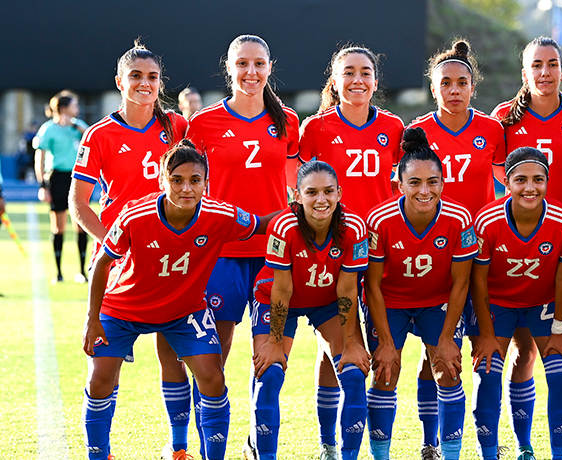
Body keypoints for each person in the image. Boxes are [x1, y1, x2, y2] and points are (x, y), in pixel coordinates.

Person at [81, 140, 273, 460]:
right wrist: (92, 318)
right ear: (162, 180)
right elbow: (102, 262)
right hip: (123, 308)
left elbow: (262, 224)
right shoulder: (134, 215)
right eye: (177, 180)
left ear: (205, 184)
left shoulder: (220, 215)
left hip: (184, 312)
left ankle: (202, 453)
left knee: (212, 378)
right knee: (100, 381)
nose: (187, 188)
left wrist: (306, 210)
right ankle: (98, 455)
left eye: (195, 180)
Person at [68, 41, 191, 460]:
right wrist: (111, 244)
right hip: (120, 265)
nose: (144, 83)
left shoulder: (176, 126)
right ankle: (98, 452)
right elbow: (79, 202)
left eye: (152, 77)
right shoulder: (100, 133)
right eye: (136, 76)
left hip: (171, 259)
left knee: (173, 356)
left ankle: (177, 448)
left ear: (160, 83)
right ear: (120, 82)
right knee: (103, 368)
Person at [186, 34, 299, 457]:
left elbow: (294, 184)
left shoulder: (286, 120)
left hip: (273, 259)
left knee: (270, 365)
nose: (251, 72)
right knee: (211, 365)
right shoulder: (203, 124)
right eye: (242, 64)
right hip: (220, 257)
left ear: (270, 67)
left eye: (259, 64)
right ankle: (211, 448)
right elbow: (189, 187)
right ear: (229, 67)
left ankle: (261, 447)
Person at [491, 37, 562, 460]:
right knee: (523, 350)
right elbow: (500, 173)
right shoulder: (504, 118)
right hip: (521, 251)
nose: (545, 72)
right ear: (524, 72)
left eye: (552, 64)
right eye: (536, 65)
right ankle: (524, 445)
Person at [298, 45, 404, 460]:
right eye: (348, 72)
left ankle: (378, 444)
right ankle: (330, 443)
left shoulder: (394, 127)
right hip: (333, 251)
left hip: (379, 249)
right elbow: (303, 191)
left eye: (365, 72)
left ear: (376, 81)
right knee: (337, 345)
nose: (357, 80)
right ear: (335, 79)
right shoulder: (316, 128)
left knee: (376, 344)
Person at [406, 40, 506, 459]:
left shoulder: (491, 130)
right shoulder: (416, 132)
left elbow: (511, 183)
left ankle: (488, 443)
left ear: (472, 86)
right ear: (433, 88)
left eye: (462, 82)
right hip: (431, 260)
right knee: (435, 352)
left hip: (481, 257)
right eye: (445, 83)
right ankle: (433, 442)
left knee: (486, 350)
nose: (454, 90)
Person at [364, 127, 477, 460]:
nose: (424, 190)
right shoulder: (380, 220)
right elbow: (371, 284)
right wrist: (385, 342)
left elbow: (461, 283)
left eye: (432, 182)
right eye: (414, 183)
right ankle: (380, 455)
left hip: (437, 302)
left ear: (443, 183)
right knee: (385, 372)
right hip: (392, 302)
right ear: (399, 185)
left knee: (448, 368)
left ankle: (448, 453)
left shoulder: (459, 219)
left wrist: (445, 339)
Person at [248, 160, 371, 460]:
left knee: (354, 374)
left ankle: (339, 452)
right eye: (312, 192)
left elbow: (346, 289)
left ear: (339, 193)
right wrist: (275, 343)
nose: (321, 199)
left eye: (328, 191)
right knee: (270, 373)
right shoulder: (283, 225)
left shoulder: (353, 227)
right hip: (278, 300)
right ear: (297, 195)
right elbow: (282, 288)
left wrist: (353, 343)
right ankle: (261, 452)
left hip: (327, 301)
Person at [470, 146, 562, 460]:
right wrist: (487, 334)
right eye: (521, 180)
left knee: (561, 371)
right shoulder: (487, 220)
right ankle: (491, 452)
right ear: (507, 182)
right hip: (498, 303)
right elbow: (478, 281)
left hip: (543, 303)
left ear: (548, 181)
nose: (530, 187)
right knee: (488, 370)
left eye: (538, 179)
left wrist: (560, 329)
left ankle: (560, 453)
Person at [34, 90, 90, 283]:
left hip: (78, 178)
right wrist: (43, 185)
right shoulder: (48, 129)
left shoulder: (79, 126)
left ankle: (82, 271)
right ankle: (58, 273)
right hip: (57, 178)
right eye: (74, 105)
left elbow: (93, 138)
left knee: (81, 225)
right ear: (64, 108)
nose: (78, 109)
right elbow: (39, 157)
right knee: (58, 227)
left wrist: (77, 127)